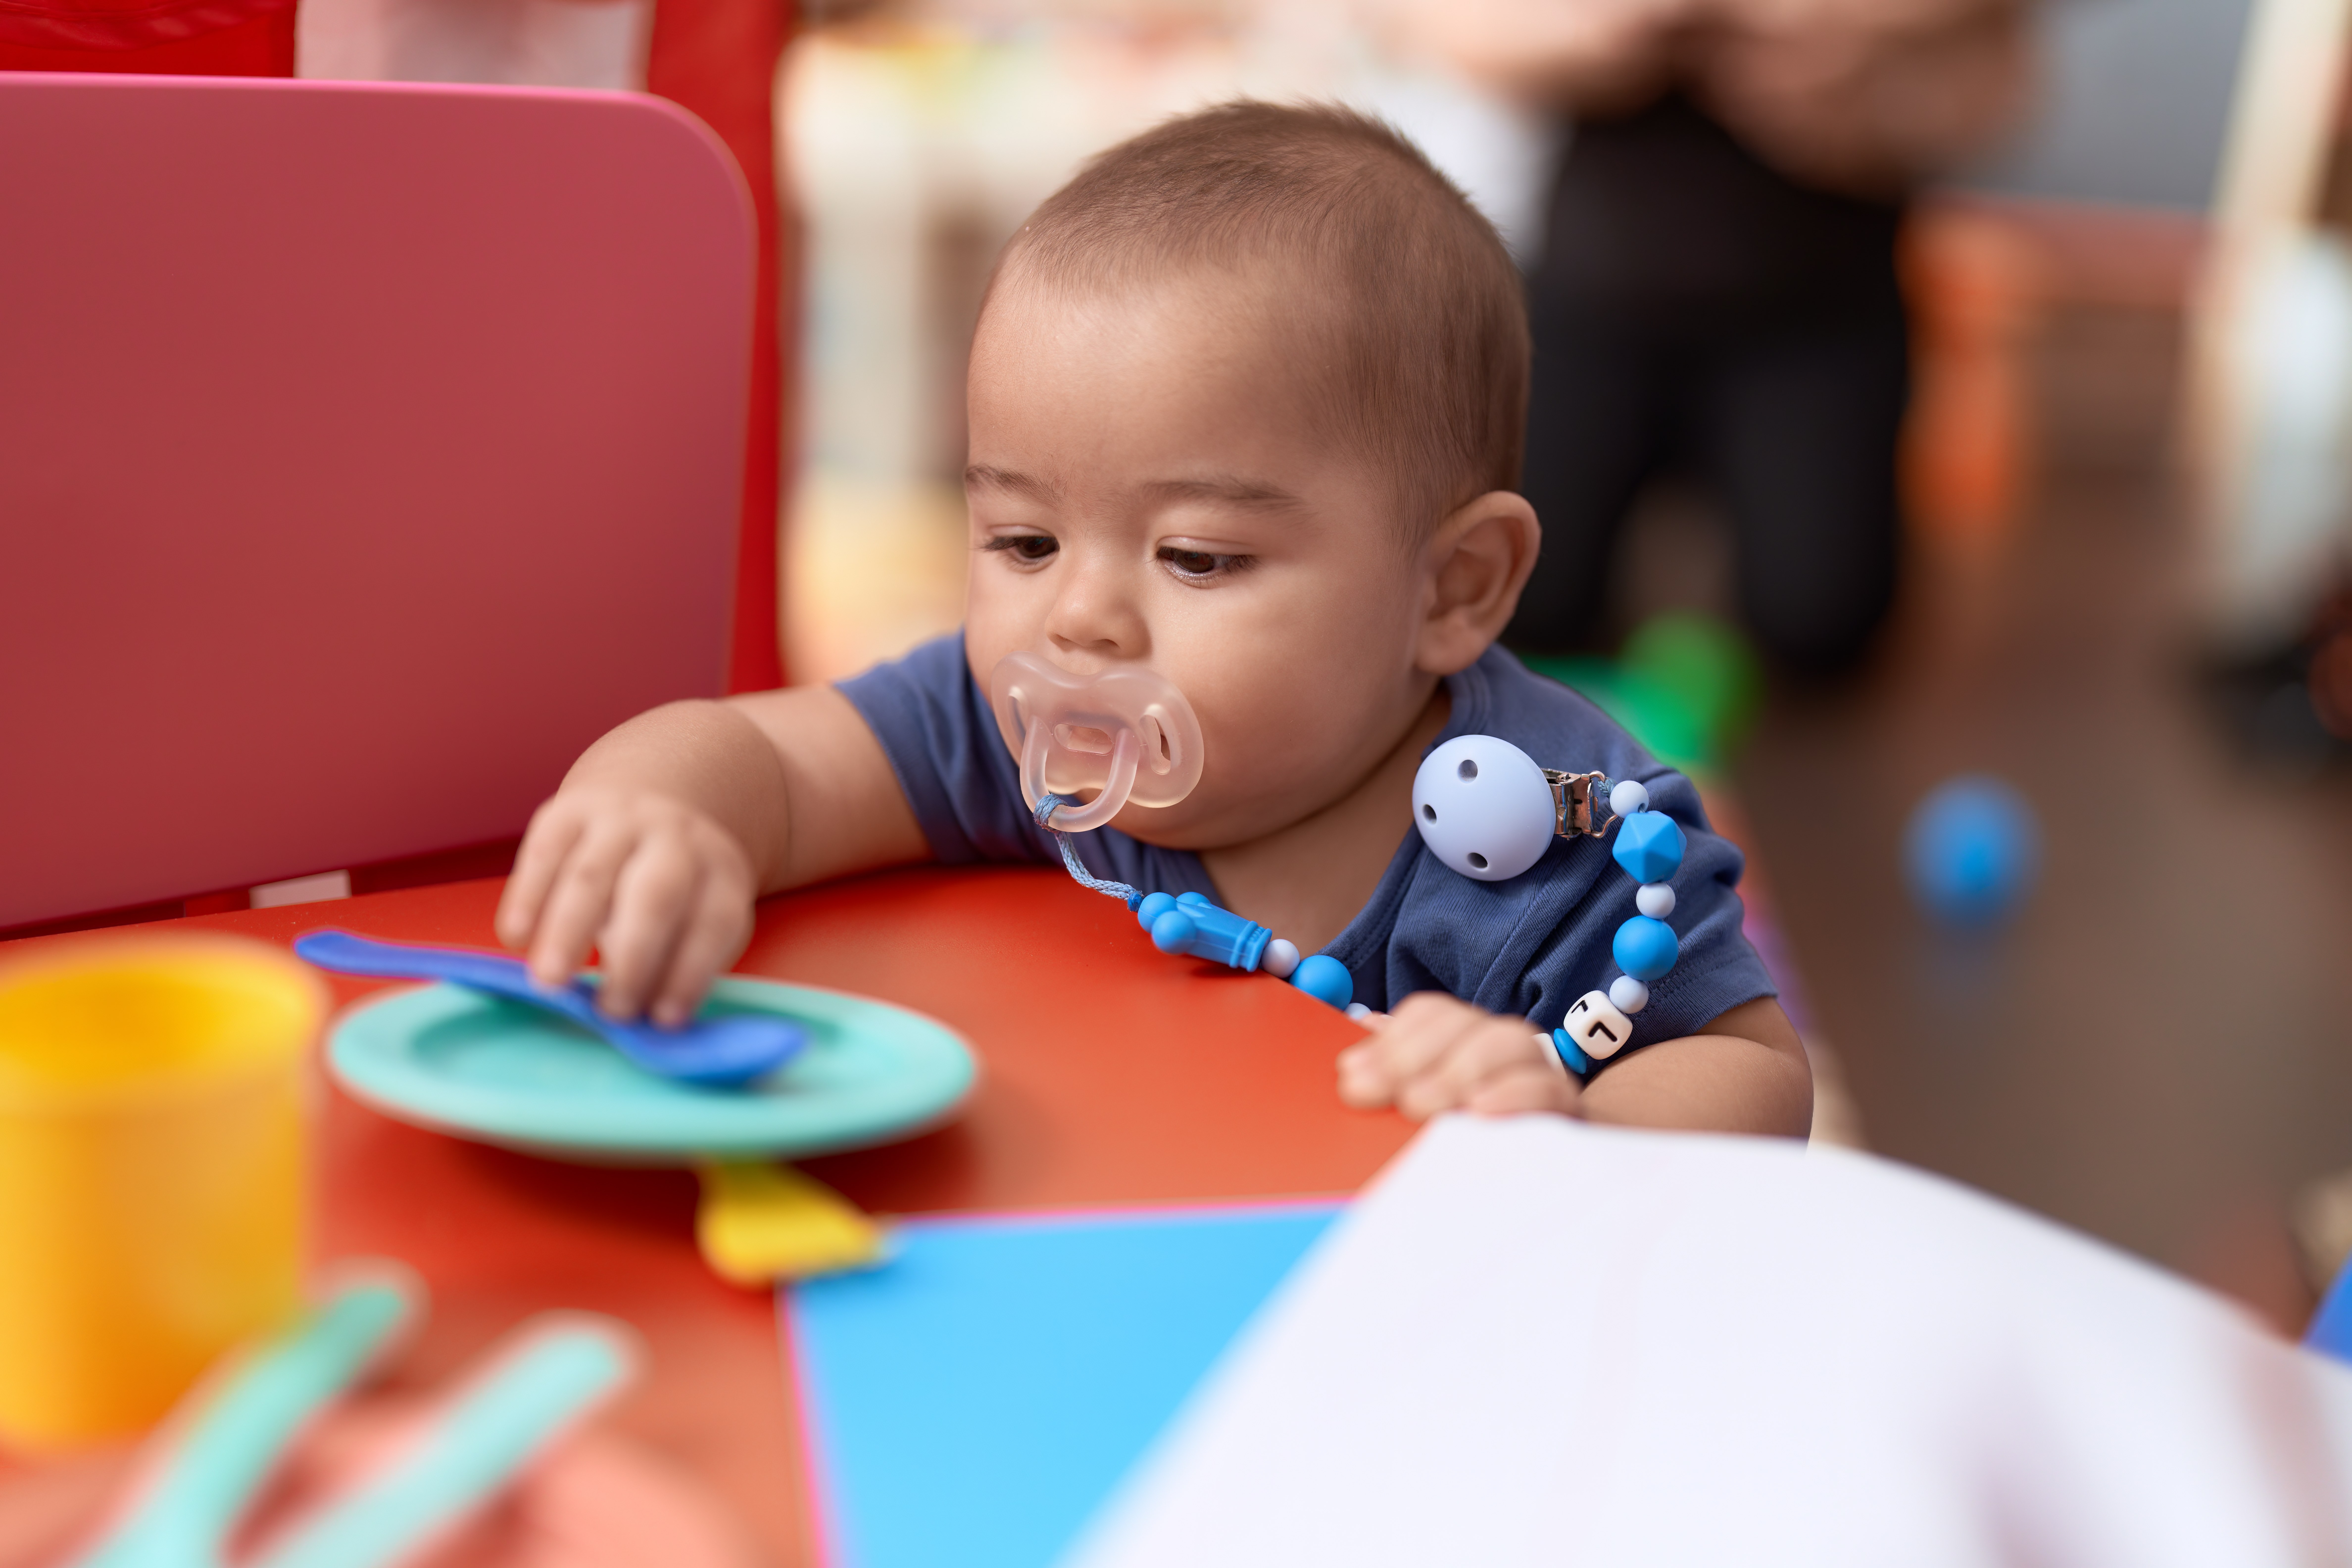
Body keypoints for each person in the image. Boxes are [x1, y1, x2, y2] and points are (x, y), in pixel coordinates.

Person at [494, 102, 1811, 1137]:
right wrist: (666, 811)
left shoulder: (1561, 834)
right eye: (1022, 539)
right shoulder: (1002, 729)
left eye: (1195, 557)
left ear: (1454, 586)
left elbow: (1752, 1074)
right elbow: (774, 765)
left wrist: (1572, 1117)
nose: (1078, 619)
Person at [1397, 0, 2034, 668]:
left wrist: (1849, 71)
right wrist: (1595, 37)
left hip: (1820, 304)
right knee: (1525, 605)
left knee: (1821, 634)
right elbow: (1440, 26)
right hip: (1596, 288)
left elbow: (2000, 84)